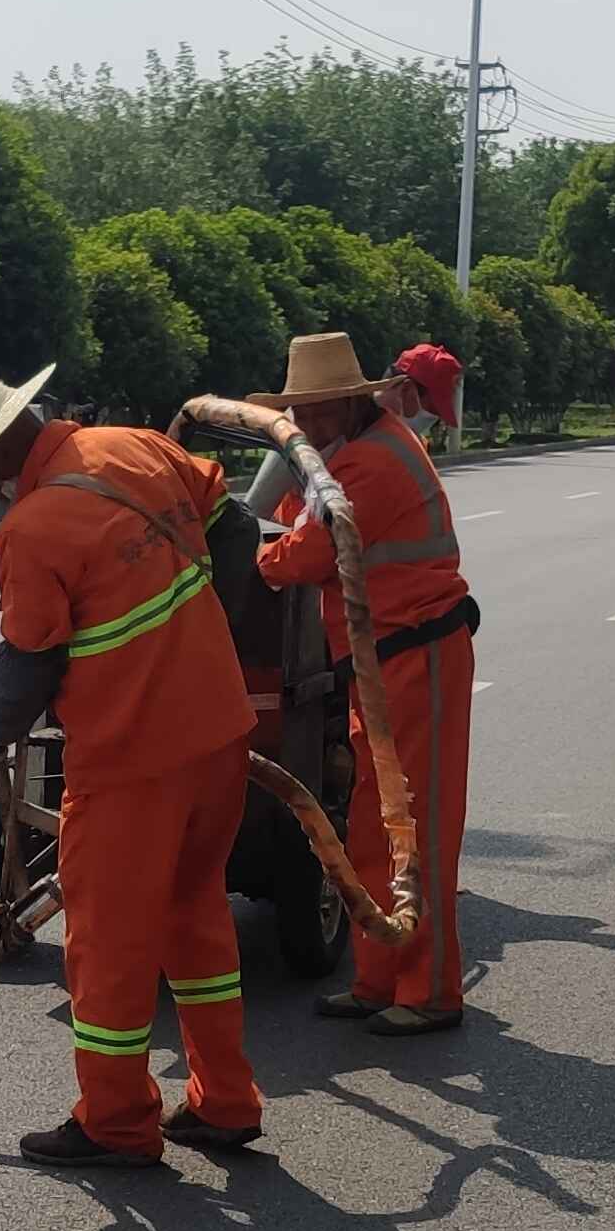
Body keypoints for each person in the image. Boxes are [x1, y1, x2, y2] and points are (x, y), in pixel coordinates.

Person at [0, 360, 268, 1168]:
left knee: (108, 944)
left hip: (130, 762)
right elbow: (238, 528)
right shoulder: (138, 446)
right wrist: (203, 632)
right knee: (195, 914)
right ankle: (225, 1101)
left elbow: (29, 659)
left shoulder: (32, 529)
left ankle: (116, 1123)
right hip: (219, 732)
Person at [255, 333, 475, 1036]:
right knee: (376, 826)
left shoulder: (370, 463)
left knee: (417, 831)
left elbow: (306, 552)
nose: (305, 423)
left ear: (351, 402)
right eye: (299, 411)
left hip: (418, 657)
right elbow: (300, 523)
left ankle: (431, 992)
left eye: (317, 409)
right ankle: (378, 978)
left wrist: (257, 559)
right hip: (381, 664)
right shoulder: (353, 453)